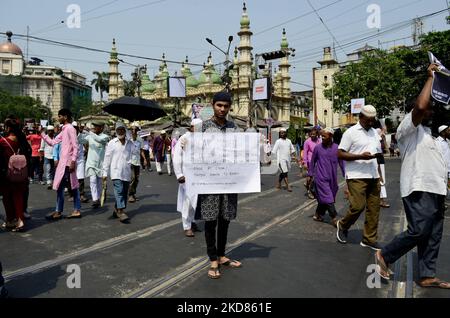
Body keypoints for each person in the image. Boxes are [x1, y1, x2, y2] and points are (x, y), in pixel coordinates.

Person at [375, 64, 450, 289]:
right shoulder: (408, 129)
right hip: (419, 187)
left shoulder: (432, 135)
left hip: (437, 190)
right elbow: (420, 106)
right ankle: (385, 255)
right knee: (419, 230)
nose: (432, 110)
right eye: (429, 108)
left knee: (433, 235)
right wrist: (431, 78)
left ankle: (427, 275)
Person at [195, 91, 242, 279]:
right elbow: (195, 153)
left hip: (229, 182)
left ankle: (222, 255)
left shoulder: (234, 128)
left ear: (230, 107)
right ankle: (213, 258)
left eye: (226, 106)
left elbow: (241, 152)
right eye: (219, 105)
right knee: (210, 220)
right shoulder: (204, 128)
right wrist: (187, 146)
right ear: (212, 105)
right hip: (210, 182)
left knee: (225, 219)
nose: (222, 109)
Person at [336, 105, 383, 251]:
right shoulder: (351, 132)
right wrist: (360, 156)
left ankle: (369, 239)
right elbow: (340, 153)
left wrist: (380, 174)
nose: (371, 123)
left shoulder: (375, 132)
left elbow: (378, 154)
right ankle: (343, 225)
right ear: (361, 117)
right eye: (368, 120)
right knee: (357, 206)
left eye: (373, 120)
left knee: (374, 209)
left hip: (373, 175)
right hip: (357, 175)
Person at [41, 109, 81, 220]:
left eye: (60, 116)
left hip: (68, 164)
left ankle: (73, 210)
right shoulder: (64, 130)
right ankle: (60, 211)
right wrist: (43, 134)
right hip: (63, 164)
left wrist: (73, 161)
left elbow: (75, 146)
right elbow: (53, 142)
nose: (58, 118)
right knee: (62, 187)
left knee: (72, 186)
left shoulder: (70, 129)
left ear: (66, 117)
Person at [308, 127, 345, 226]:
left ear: (331, 136)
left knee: (326, 197)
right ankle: (334, 217)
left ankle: (317, 214)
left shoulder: (337, 148)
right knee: (328, 198)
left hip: (332, 179)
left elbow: (342, 163)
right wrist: (310, 174)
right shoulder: (318, 148)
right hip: (321, 178)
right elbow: (312, 162)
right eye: (321, 136)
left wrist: (346, 175)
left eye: (324, 136)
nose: (322, 138)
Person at [0, 118, 32, 232]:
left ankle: (10, 220)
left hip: (7, 174)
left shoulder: (3, 141)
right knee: (18, 197)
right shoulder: (22, 140)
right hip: (21, 174)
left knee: (7, 198)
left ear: (8, 128)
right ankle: (20, 220)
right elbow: (28, 154)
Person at [103, 122, 137, 223]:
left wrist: (133, 138)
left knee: (124, 192)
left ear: (125, 131)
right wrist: (105, 173)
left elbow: (135, 152)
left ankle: (116, 209)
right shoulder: (112, 143)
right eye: (118, 130)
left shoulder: (130, 142)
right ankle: (121, 211)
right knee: (119, 190)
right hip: (115, 171)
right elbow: (107, 158)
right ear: (116, 131)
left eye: (122, 129)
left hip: (126, 172)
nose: (120, 131)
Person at [173, 119, 202, 237]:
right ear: (191, 127)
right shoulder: (184, 138)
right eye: (197, 127)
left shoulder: (203, 139)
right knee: (188, 201)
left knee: (197, 200)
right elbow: (177, 157)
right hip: (187, 176)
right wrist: (179, 174)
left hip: (200, 176)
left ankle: (192, 221)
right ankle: (186, 226)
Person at [81, 121, 109, 208]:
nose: (94, 128)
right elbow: (80, 140)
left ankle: (100, 195)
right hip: (91, 163)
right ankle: (95, 199)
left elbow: (99, 139)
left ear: (101, 128)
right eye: (94, 126)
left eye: (96, 126)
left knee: (99, 182)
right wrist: (78, 132)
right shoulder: (90, 135)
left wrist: (89, 131)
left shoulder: (105, 137)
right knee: (92, 180)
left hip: (100, 163)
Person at [271, 128, 296, 192]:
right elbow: (274, 151)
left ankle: (279, 183)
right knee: (285, 173)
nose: (282, 134)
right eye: (281, 133)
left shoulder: (289, 141)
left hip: (288, 159)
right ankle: (288, 186)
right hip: (281, 160)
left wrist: (295, 156)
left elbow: (292, 149)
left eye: (283, 133)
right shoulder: (278, 141)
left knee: (284, 172)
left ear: (286, 133)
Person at [374, 121, 390, 208]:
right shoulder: (377, 133)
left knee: (379, 180)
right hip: (378, 159)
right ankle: (381, 200)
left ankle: (379, 200)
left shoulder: (379, 135)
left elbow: (385, 148)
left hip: (379, 158)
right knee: (381, 180)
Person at [303, 128, 321, 198]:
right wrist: (305, 162)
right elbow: (305, 152)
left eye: (314, 134)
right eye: (311, 134)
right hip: (310, 162)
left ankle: (308, 185)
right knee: (311, 177)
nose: (312, 135)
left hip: (318, 162)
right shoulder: (307, 142)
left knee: (315, 178)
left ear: (317, 134)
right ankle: (310, 191)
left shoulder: (319, 141)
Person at [129, 123, 144, 203]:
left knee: (137, 179)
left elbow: (141, 150)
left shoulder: (140, 140)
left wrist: (144, 159)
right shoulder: (128, 139)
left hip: (137, 161)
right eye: (132, 129)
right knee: (133, 178)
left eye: (135, 129)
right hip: (130, 161)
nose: (134, 131)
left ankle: (133, 193)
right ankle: (130, 195)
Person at [39, 125, 55, 190]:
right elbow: (41, 148)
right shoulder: (44, 138)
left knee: (53, 170)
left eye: (52, 131)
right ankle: (49, 183)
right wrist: (40, 156)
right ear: (47, 131)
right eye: (49, 131)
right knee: (48, 169)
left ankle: (53, 182)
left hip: (54, 157)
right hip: (47, 156)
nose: (50, 132)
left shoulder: (56, 138)